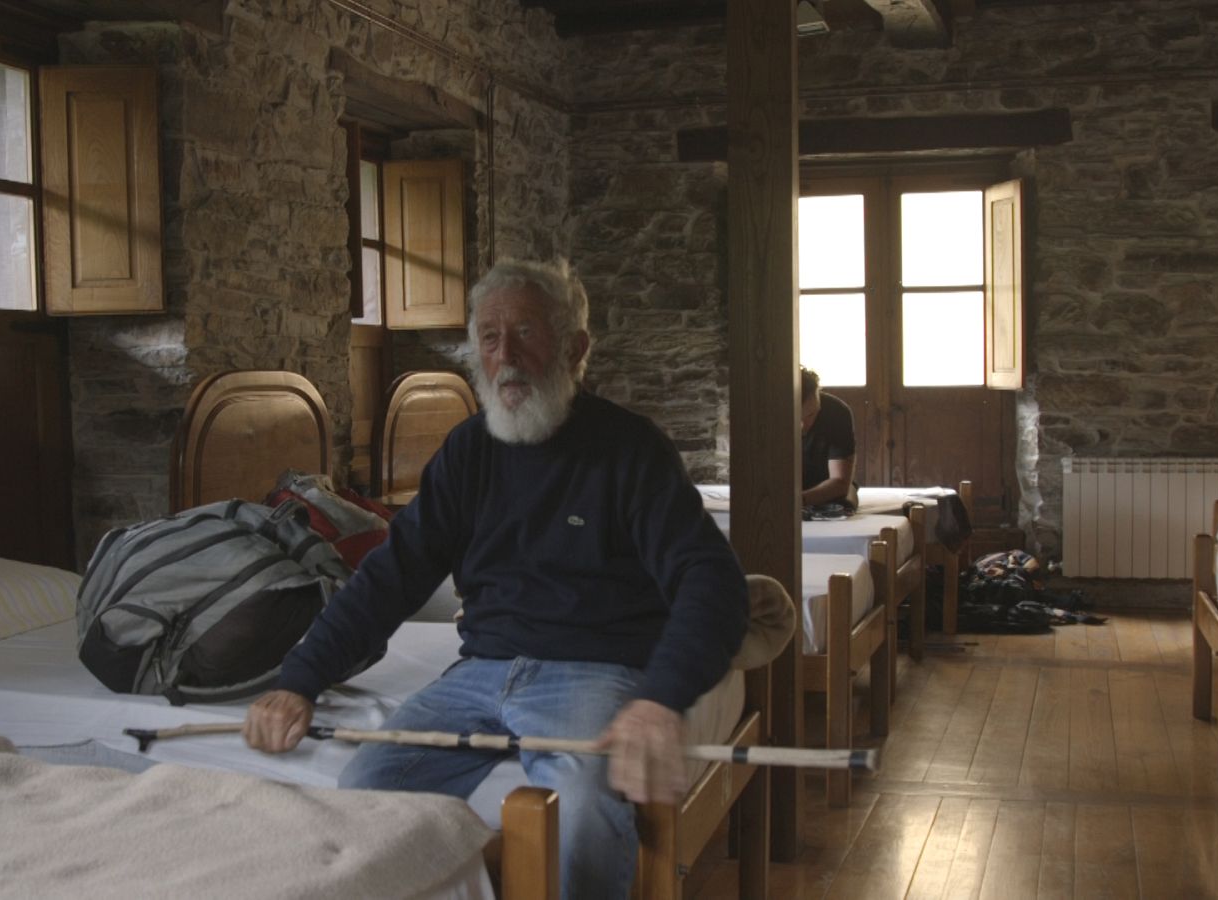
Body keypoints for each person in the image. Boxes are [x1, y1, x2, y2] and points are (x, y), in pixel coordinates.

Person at [244, 258, 749, 898]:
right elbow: (389, 578)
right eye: (488, 337)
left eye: (526, 334)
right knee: (367, 794)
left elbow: (713, 584)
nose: (504, 356)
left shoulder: (630, 449)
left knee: (584, 813)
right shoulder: (466, 452)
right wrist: (300, 679)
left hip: (591, 672)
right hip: (480, 673)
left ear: (575, 348)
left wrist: (660, 699)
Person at [800, 365, 857, 509]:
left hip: (827, 489)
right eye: (795, 418)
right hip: (782, 489)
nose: (803, 425)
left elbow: (839, 481)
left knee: (845, 503)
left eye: (811, 415)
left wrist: (799, 501)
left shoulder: (837, 412)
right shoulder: (768, 415)